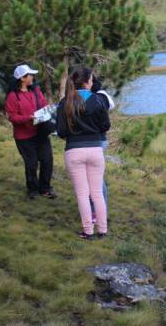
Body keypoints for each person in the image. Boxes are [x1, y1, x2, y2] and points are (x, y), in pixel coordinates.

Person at [56, 67, 110, 239]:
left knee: (82, 194)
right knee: (97, 193)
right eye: (92, 80)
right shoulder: (97, 100)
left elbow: (61, 131)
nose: (92, 82)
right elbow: (105, 126)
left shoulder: (65, 102)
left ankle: (88, 231)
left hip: (74, 150)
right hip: (95, 149)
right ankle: (102, 230)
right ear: (88, 82)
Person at [5, 64, 55, 199]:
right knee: (31, 163)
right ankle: (32, 189)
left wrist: (48, 110)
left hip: (40, 133)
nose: (32, 77)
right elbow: (12, 117)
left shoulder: (36, 90)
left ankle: (45, 188)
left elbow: (44, 105)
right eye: (30, 75)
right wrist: (28, 118)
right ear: (22, 78)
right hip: (24, 136)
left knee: (47, 161)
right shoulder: (13, 96)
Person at [90, 75, 115, 222]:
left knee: (96, 179)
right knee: (96, 178)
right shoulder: (102, 96)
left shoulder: (98, 96)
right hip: (99, 140)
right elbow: (111, 106)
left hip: (97, 141)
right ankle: (98, 210)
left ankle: (98, 211)